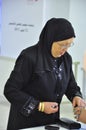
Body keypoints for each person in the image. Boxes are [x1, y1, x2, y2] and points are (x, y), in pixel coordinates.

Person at [4, 18, 85, 130]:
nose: (65, 49)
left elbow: (71, 85)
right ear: (50, 39)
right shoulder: (29, 57)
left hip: (51, 123)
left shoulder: (66, 59)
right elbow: (10, 90)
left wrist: (76, 96)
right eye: (62, 45)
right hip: (26, 123)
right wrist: (39, 106)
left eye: (69, 45)